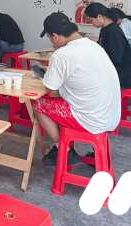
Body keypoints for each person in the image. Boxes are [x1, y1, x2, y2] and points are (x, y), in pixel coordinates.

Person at [33, 12, 121, 165]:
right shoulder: (94, 46)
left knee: (39, 104)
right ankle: (89, 151)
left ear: (55, 36)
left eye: (49, 38)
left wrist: (51, 74)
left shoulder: (61, 54)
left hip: (92, 120)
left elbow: (50, 89)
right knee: (65, 100)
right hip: (111, 115)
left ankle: (64, 149)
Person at [83, 3, 131, 89]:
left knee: (88, 80)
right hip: (116, 71)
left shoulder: (113, 31)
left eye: (91, 20)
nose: (92, 24)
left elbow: (115, 58)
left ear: (99, 17)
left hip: (125, 75)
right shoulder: (105, 29)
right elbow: (100, 47)